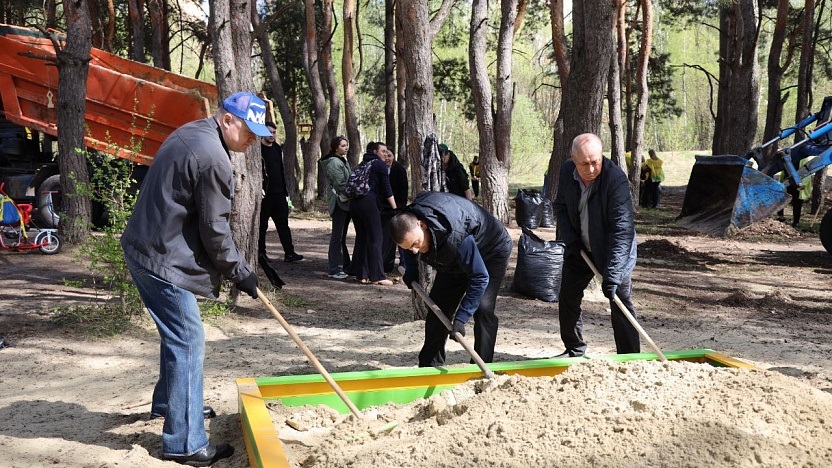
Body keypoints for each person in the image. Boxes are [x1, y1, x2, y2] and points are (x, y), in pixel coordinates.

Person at [121, 91, 271, 465]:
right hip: (161, 260)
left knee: (177, 335)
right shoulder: (214, 157)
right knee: (188, 338)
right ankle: (186, 443)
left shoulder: (193, 132)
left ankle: (169, 404)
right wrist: (240, 273)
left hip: (145, 247)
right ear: (227, 119)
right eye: (248, 132)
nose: (251, 141)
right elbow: (215, 229)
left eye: (257, 135)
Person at [392, 191, 512, 367]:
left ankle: (481, 365)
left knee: (483, 308)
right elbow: (408, 244)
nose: (415, 250)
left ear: (422, 225)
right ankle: (429, 366)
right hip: (453, 257)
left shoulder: (455, 236)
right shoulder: (408, 224)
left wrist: (461, 318)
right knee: (438, 308)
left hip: (491, 251)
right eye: (409, 248)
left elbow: (479, 277)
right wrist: (411, 269)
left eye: (416, 244)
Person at [553, 133, 640, 357]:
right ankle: (574, 348)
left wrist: (613, 274)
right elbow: (561, 206)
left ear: (602, 156)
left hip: (613, 252)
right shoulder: (566, 171)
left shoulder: (615, 180)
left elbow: (622, 230)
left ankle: (630, 357)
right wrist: (569, 237)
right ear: (573, 158)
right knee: (568, 296)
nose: (591, 169)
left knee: (619, 300)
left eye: (595, 162)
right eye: (584, 164)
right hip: (580, 248)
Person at [350, 141, 397, 285]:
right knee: (376, 238)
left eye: (386, 152)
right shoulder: (379, 165)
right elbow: (387, 189)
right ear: (375, 152)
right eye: (383, 151)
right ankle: (377, 276)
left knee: (363, 238)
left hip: (354, 204)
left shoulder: (361, 164)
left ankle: (362, 275)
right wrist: (395, 209)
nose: (385, 154)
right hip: (368, 203)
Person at [259, 122, 303, 263]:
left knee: (283, 224)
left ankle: (289, 253)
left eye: (274, 132)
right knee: (262, 226)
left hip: (279, 194)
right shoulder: (258, 150)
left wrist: (285, 193)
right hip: (265, 196)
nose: (272, 135)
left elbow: (280, 171)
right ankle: (261, 254)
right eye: (269, 132)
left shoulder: (277, 148)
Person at [319, 136, 352, 279]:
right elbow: (341, 184)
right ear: (336, 148)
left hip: (345, 203)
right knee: (337, 237)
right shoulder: (334, 162)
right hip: (339, 203)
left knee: (341, 237)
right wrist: (355, 191)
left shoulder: (342, 160)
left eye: (346, 145)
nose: (346, 147)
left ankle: (344, 265)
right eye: (343, 145)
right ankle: (335, 269)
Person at [381, 146, 408, 273]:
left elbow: (403, 190)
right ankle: (386, 264)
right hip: (384, 209)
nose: (387, 158)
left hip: (398, 208)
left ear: (394, 156)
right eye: (385, 155)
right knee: (386, 238)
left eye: (389, 156)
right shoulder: (380, 169)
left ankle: (404, 263)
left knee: (400, 235)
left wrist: (399, 207)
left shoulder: (399, 170)